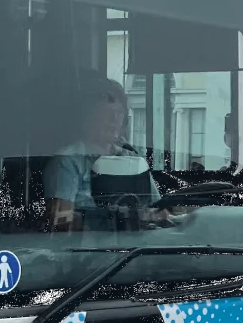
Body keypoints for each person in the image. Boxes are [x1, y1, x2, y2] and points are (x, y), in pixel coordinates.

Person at [44, 75, 163, 230]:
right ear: (87, 116)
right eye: (106, 112)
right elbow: (60, 221)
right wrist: (114, 220)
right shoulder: (68, 161)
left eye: (119, 113)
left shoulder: (133, 160)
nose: (114, 119)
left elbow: (160, 211)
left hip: (138, 250)